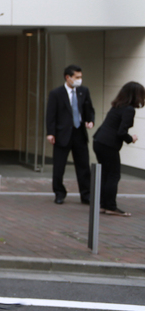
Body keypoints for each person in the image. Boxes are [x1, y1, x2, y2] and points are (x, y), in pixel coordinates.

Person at [91, 81, 144, 217]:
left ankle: (103, 204)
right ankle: (110, 206)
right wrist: (130, 139)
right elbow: (121, 132)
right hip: (108, 145)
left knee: (105, 174)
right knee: (114, 175)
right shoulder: (129, 109)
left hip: (99, 141)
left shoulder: (117, 106)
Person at [46, 64, 95, 205]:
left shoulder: (83, 91)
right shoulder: (56, 93)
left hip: (79, 132)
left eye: (81, 77)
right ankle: (59, 193)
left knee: (83, 166)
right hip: (62, 134)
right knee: (59, 166)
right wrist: (50, 133)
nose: (80, 80)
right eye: (77, 77)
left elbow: (89, 108)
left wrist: (90, 120)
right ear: (68, 77)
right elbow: (51, 114)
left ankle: (86, 195)